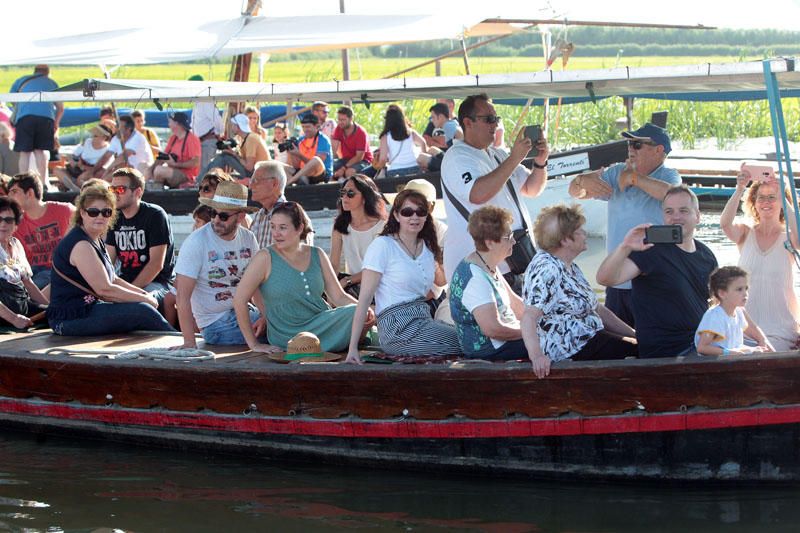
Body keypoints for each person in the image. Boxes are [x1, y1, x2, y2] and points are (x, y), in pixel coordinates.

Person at [568, 122, 681, 326]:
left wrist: (635, 179)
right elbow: (576, 192)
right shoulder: (617, 171)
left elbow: (674, 196)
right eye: (629, 143)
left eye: (637, 144)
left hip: (651, 280)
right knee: (617, 341)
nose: (630, 148)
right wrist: (581, 181)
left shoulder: (668, 175)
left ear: (659, 150)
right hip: (616, 279)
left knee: (649, 340)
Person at [440, 93, 549, 290]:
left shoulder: (498, 154)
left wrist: (540, 163)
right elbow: (478, 194)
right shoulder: (457, 157)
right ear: (468, 122)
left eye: (496, 119)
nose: (495, 125)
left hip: (514, 262)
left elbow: (531, 189)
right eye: (489, 119)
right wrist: (515, 158)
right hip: (480, 269)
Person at [596, 185, 718, 358]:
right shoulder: (651, 249)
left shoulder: (706, 254)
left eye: (683, 210)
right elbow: (605, 278)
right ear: (663, 216)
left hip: (700, 342)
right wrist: (625, 246)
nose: (676, 217)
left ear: (697, 216)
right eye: (669, 211)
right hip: (668, 350)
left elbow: (715, 302)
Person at [522, 204, 637, 378]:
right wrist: (536, 356)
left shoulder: (569, 265)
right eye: (580, 231)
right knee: (646, 352)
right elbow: (529, 317)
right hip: (571, 349)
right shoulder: (548, 269)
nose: (585, 234)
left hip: (590, 339)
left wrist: (635, 334)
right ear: (566, 240)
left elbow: (597, 309)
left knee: (645, 345)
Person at [346, 189, 461, 363]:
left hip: (424, 319)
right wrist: (352, 348)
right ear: (397, 216)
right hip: (396, 329)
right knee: (467, 343)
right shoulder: (383, 245)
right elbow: (364, 299)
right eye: (407, 212)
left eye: (420, 212)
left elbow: (441, 283)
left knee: (470, 336)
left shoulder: (428, 247)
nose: (414, 217)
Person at [234, 201, 365, 353]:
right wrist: (254, 344)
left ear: (299, 228)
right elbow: (239, 300)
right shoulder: (265, 257)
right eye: (273, 226)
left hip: (323, 323)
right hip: (287, 335)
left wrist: (364, 310)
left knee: (360, 312)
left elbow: (338, 296)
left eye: (282, 227)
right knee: (358, 315)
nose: (276, 233)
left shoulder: (318, 254)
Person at [46, 184, 174, 336]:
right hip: (69, 319)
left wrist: (145, 295)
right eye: (93, 212)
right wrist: (145, 300)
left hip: (88, 309)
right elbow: (105, 289)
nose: (100, 216)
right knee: (143, 311)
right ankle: (177, 343)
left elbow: (113, 279)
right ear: (82, 213)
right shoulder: (81, 244)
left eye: (106, 212)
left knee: (147, 304)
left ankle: (173, 343)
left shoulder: (95, 239)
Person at [173, 181, 263, 347]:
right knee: (283, 331)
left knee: (285, 320)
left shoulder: (248, 238)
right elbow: (182, 297)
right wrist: (189, 343)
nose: (215, 220)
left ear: (241, 216)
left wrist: (266, 316)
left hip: (244, 313)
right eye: (213, 213)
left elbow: (255, 286)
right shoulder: (196, 242)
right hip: (215, 324)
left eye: (223, 216)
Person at [720, 169, 800, 351]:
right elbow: (725, 224)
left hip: (780, 329)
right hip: (744, 328)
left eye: (772, 197)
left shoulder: (789, 237)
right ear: (753, 203)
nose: (766, 202)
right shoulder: (745, 233)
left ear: (781, 201)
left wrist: (783, 195)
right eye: (761, 197)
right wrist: (740, 188)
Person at [449, 206, 526, 360]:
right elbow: (493, 329)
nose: (514, 240)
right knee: (559, 343)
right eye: (508, 237)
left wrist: (544, 318)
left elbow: (515, 304)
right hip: (491, 350)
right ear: (490, 243)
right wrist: (530, 332)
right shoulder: (475, 278)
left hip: (505, 341)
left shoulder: (487, 263)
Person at [106, 168, 175, 304]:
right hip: (126, 282)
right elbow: (108, 262)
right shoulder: (114, 217)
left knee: (141, 303)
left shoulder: (155, 215)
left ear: (137, 192)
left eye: (120, 189)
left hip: (157, 283)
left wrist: (130, 293)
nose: (114, 194)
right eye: (111, 189)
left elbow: (156, 264)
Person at [8, 172, 75, 288]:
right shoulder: (15, 222)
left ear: (29, 193)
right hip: (29, 273)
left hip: (58, 270)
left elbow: (86, 217)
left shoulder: (63, 210)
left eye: (14, 192)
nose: (10, 197)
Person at [695, 266, 774, 356]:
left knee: (760, 351)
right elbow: (702, 348)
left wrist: (756, 348)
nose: (745, 293)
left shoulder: (739, 311)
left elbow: (738, 345)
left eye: (746, 288)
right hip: (715, 364)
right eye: (739, 289)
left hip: (731, 360)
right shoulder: (714, 316)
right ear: (722, 293)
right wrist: (728, 353)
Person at [329, 175, 387, 294]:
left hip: (380, 284)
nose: (344, 197)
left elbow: (381, 267)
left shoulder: (382, 226)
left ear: (365, 197)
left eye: (351, 193)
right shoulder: (340, 225)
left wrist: (347, 280)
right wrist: (331, 289)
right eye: (343, 192)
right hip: (353, 285)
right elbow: (334, 265)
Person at [9, 65, 63, 190]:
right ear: (48, 73)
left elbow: (12, 100)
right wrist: (56, 123)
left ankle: (22, 182)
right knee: (42, 151)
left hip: (24, 118)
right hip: (46, 119)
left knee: (25, 152)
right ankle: (44, 182)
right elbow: (60, 108)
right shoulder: (51, 83)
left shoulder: (21, 80)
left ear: (35, 71)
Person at [0, 196, 48, 329]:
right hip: (4, 312)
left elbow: (28, 283)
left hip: (22, 304)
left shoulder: (16, 244)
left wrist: (49, 307)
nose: (3, 224)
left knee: (58, 314)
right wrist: (14, 319)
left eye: (8, 220)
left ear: (16, 225)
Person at [203, 114, 270, 182]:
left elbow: (249, 167)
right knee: (226, 166)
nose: (231, 127)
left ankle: (202, 180)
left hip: (259, 174)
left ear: (238, 126)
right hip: (257, 172)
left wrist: (234, 154)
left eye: (233, 125)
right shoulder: (246, 138)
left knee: (225, 157)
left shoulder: (251, 139)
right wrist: (233, 153)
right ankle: (202, 179)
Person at [146, 112, 201, 189]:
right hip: (172, 172)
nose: (169, 125)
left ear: (177, 124)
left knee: (159, 171)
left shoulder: (192, 139)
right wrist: (151, 170)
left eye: (170, 122)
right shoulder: (173, 138)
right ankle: (156, 193)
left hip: (187, 176)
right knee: (149, 170)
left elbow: (196, 162)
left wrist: (176, 164)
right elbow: (163, 156)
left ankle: (156, 193)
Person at [373, 104, 428, 178]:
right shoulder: (410, 132)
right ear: (402, 117)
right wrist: (423, 159)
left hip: (395, 171)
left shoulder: (385, 137)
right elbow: (423, 142)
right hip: (414, 168)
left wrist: (377, 166)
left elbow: (383, 159)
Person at [55, 122, 113, 191]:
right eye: (93, 135)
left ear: (104, 137)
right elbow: (73, 155)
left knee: (81, 179)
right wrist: (72, 161)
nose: (93, 138)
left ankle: (72, 186)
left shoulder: (109, 149)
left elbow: (105, 168)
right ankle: (73, 185)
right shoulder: (87, 142)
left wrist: (87, 168)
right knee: (57, 169)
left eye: (96, 136)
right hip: (78, 169)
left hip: (93, 172)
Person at [286, 114, 333, 185]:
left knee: (316, 159)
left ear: (316, 126)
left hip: (320, 174)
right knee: (278, 166)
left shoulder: (323, 140)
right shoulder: (301, 140)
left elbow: (315, 165)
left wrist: (299, 154)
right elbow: (296, 166)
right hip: (303, 173)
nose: (305, 130)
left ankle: (290, 182)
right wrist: (292, 154)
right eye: (303, 127)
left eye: (308, 127)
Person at [331, 106, 373, 181]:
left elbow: (359, 156)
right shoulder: (339, 128)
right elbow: (333, 149)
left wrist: (343, 169)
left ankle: (350, 190)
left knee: (349, 172)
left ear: (351, 119)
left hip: (364, 161)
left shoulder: (361, 132)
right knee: (329, 168)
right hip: (346, 159)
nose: (340, 122)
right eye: (339, 119)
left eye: (343, 120)